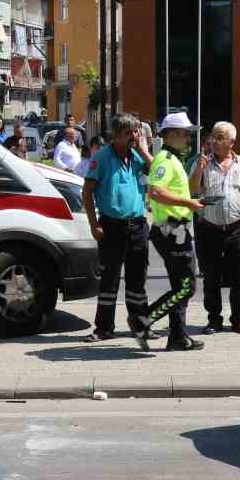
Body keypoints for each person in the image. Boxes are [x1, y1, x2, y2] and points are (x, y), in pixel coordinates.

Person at [81, 114, 153, 342]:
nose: (134, 136)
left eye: (135, 132)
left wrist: (142, 150)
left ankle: (141, 326)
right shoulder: (101, 157)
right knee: (110, 280)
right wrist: (94, 225)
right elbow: (87, 191)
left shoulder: (136, 156)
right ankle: (103, 328)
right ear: (116, 135)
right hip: (112, 226)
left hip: (138, 226)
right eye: (129, 133)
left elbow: (159, 172)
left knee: (137, 281)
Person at [139, 113, 205, 351]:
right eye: (186, 133)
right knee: (186, 287)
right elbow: (155, 192)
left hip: (176, 229)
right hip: (171, 229)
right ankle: (143, 320)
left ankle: (177, 335)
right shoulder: (165, 159)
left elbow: (187, 191)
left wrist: (197, 173)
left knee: (181, 285)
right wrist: (189, 204)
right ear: (173, 134)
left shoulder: (174, 159)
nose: (189, 138)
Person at [191, 121, 240, 335]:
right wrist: (199, 169)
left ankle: (239, 320)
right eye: (213, 136)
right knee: (211, 277)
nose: (214, 141)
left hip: (237, 229)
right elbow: (192, 192)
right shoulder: (202, 163)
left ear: (232, 142)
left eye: (220, 137)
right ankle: (214, 320)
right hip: (210, 229)